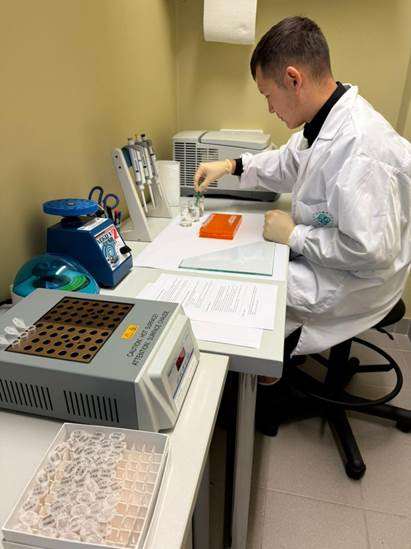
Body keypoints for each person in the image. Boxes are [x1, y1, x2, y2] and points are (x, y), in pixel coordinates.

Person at [194, 16, 411, 363]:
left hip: (357, 282)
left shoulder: (361, 147)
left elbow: (369, 252)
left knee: (251, 290)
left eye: (268, 95)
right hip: (339, 263)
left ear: (293, 79)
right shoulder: (327, 118)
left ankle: (262, 381)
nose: (269, 108)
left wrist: (294, 235)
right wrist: (232, 165)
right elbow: (288, 162)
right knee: (254, 271)